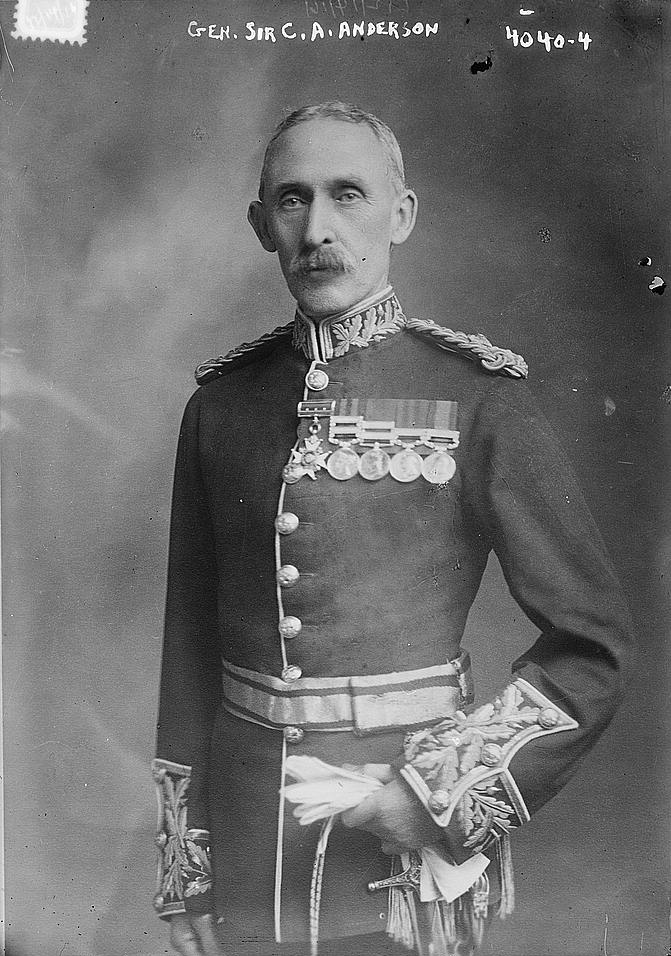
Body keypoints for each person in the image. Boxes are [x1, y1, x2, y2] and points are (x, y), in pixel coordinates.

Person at [151, 102, 631, 956]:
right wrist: (186, 868)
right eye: (292, 200)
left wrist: (436, 796)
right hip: (250, 851)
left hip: (396, 846)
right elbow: (189, 654)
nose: (317, 229)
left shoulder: (477, 398)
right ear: (261, 225)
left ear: (400, 215)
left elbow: (591, 648)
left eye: (347, 195)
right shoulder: (220, 407)